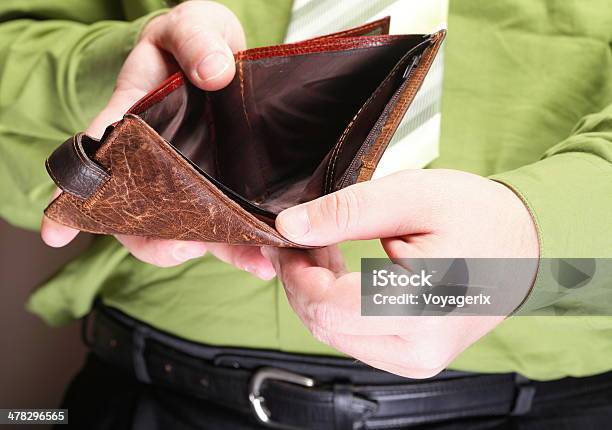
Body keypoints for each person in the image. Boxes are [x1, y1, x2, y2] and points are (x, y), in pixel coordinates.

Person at [1, 0, 611, 428]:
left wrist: (529, 256)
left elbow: (596, 277)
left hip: (550, 406)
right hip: (153, 390)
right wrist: (141, 107)